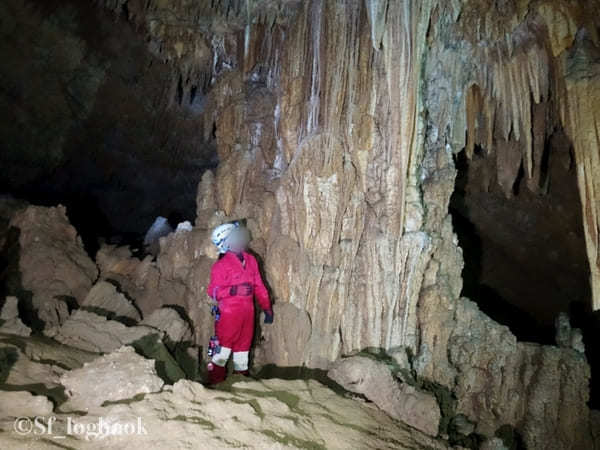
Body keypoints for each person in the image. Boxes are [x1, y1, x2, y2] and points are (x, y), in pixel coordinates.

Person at [206, 221, 273, 384]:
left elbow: (259, 285)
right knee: (222, 350)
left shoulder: (251, 261)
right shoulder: (220, 266)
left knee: (243, 350)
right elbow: (213, 292)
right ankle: (215, 382)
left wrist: (267, 307)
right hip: (228, 315)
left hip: (248, 314)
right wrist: (233, 291)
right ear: (227, 243)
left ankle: (240, 382)